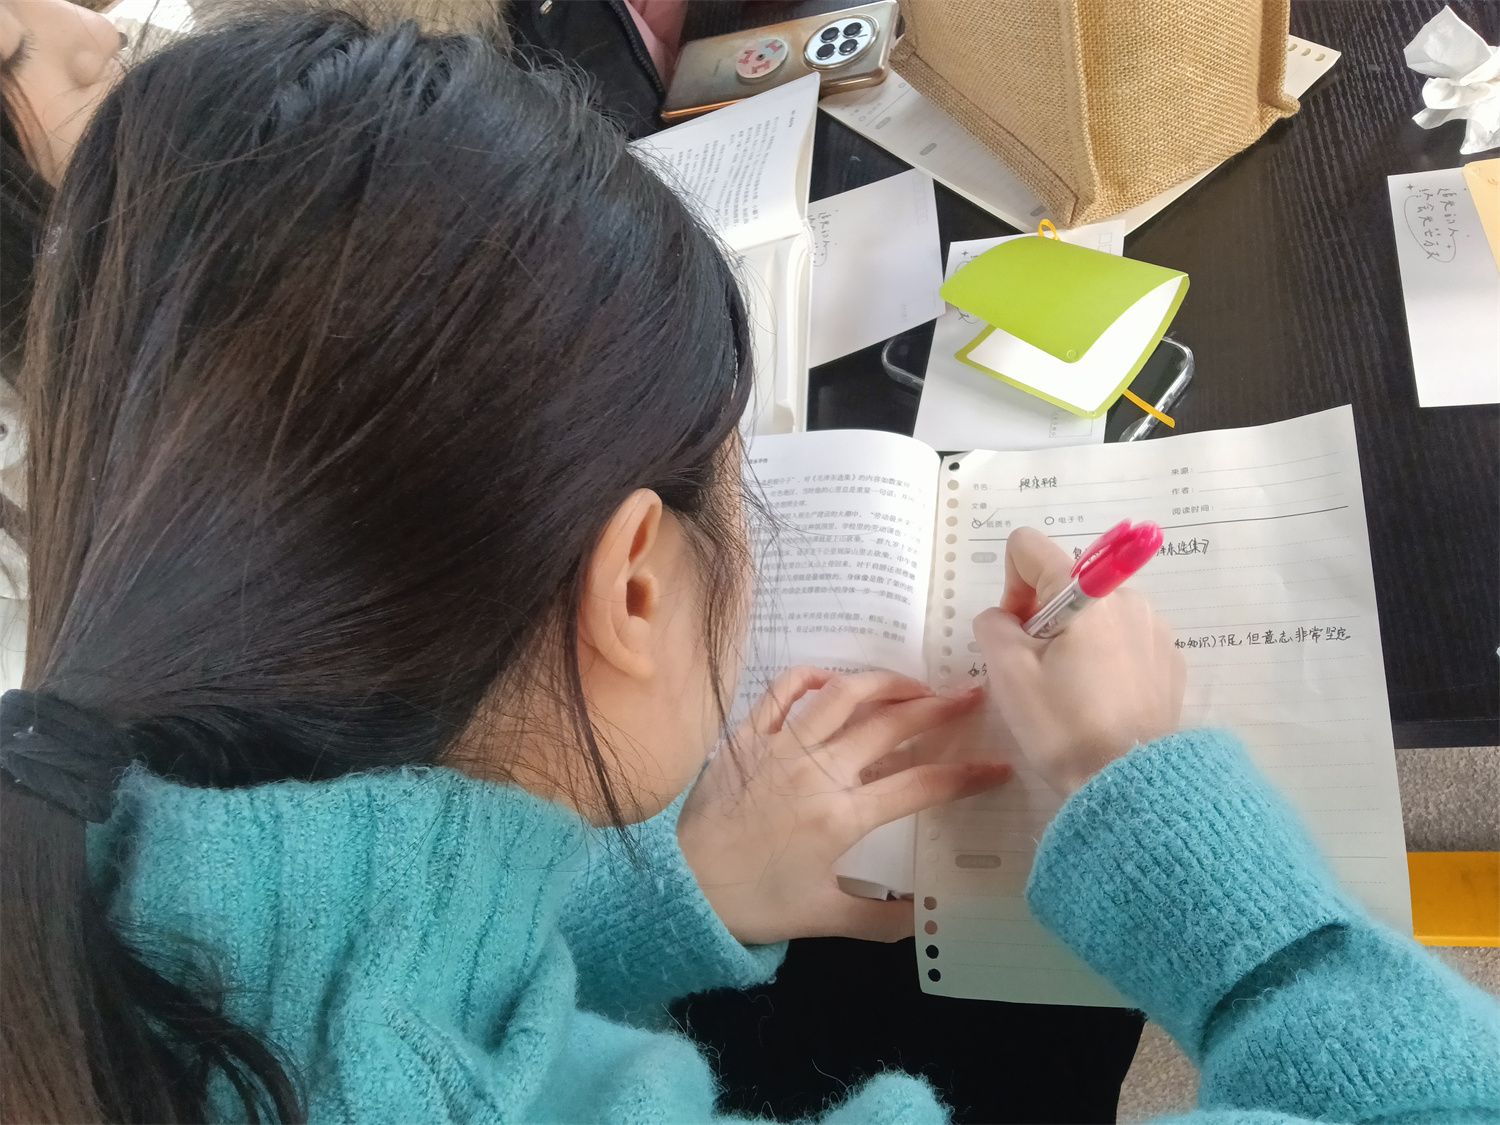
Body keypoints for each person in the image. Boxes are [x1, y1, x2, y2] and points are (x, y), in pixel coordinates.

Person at [2, 9, 1498, 1125]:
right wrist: (1143, 792)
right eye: (739, 481)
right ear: (633, 587)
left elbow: (388, 1015)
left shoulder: (93, 843)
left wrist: (665, 894)